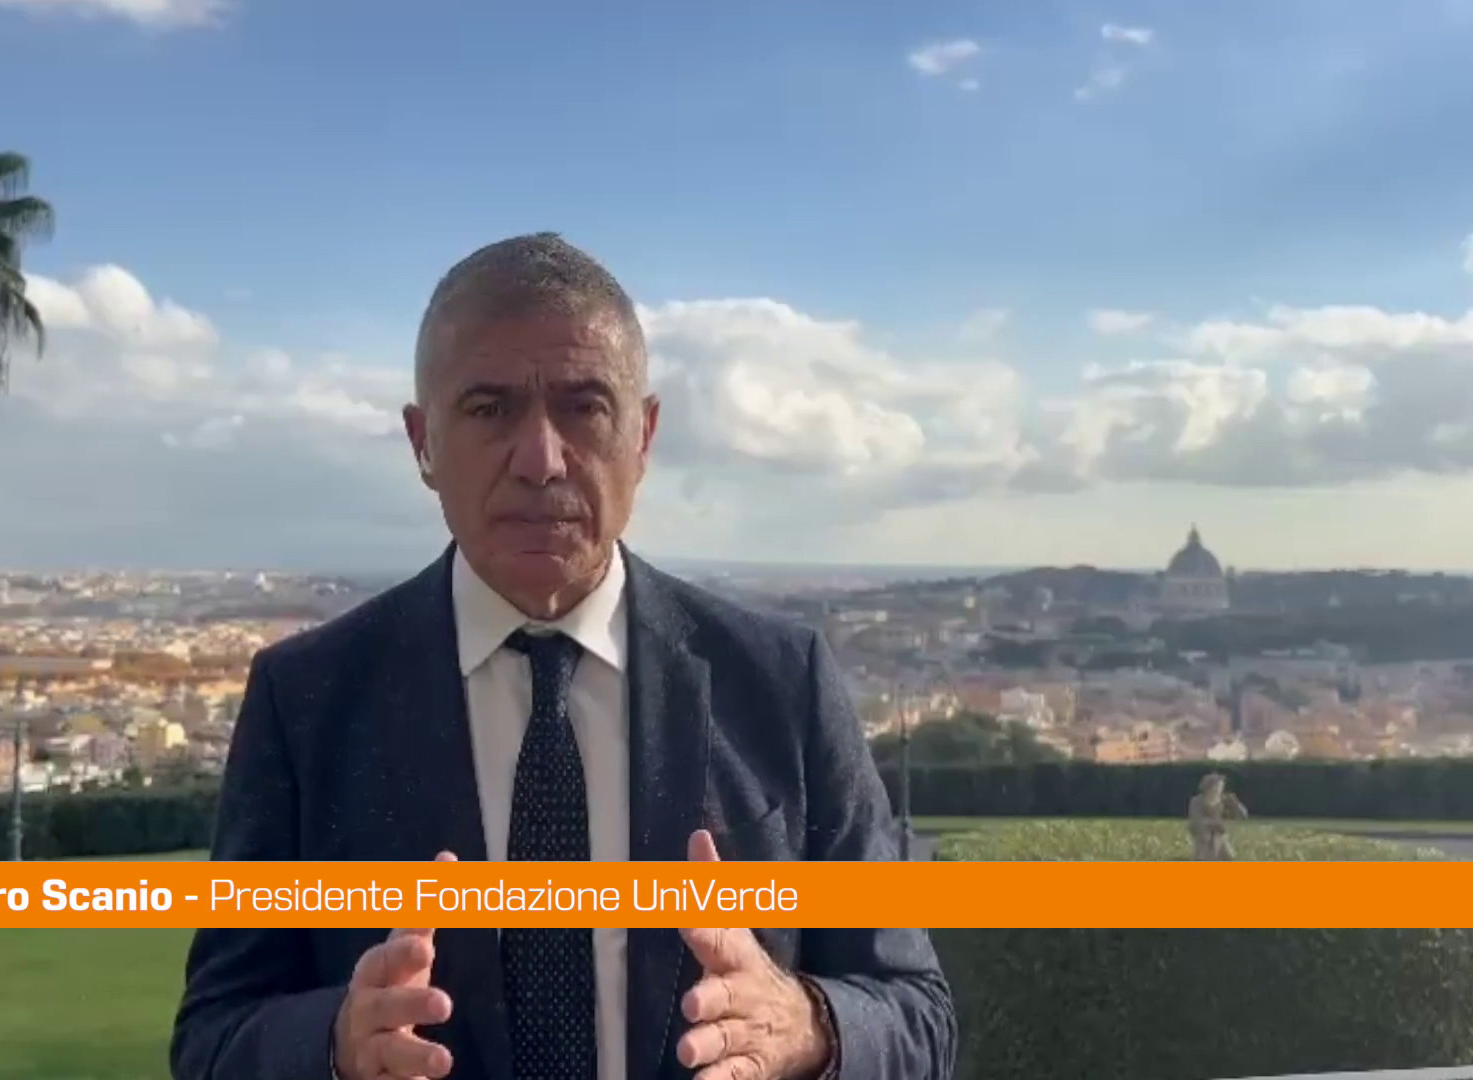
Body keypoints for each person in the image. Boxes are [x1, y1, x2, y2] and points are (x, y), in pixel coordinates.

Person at [170, 233, 956, 1080]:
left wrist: (807, 1026)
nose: (541, 460)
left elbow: (918, 1014)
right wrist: (334, 1045)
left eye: (584, 407)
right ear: (422, 443)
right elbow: (214, 1034)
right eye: (488, 408)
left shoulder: (781, 682)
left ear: (643, 435)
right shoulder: (305, 701)